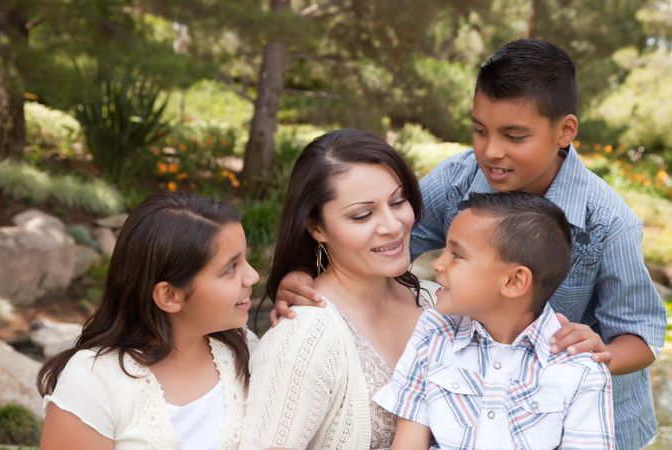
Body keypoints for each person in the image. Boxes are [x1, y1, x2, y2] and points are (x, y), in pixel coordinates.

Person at [273, 39, 666, 449]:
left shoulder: (608, 221)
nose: (491, 151)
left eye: (514, 136)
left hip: (587, 419)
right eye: (480, 130)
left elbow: (641, 335)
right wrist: (307, 272)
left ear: (565, 131)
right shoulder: (457, 180)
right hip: (479, 405)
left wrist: (596, 352)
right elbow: (382, 243)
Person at [240, 129, 438, 449]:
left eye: (398, 201)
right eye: (362, 215)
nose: (392, 225)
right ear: (316, 227)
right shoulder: (303, 338)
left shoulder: (437, 302)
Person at [375, 191, 615, 449]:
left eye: (457, 254)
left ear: (513, 282)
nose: (439, 264)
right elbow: (408, 442)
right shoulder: (434, 332)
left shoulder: (581, 370)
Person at [37, 192, 260, 450]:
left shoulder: (243, 348)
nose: (253, 276)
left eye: (245, 260)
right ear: (169, 295)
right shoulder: (93, 381)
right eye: (231, 267)